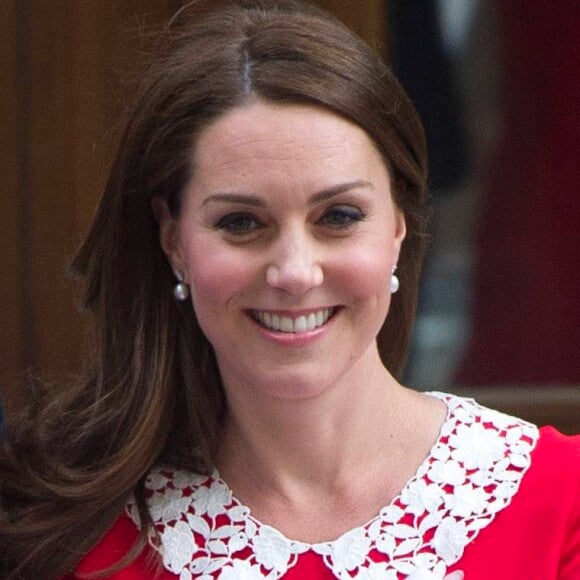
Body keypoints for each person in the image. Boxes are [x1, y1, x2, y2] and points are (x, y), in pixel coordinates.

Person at [0, 1, 578, 579]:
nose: (295, 272)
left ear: (399, 226)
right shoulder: (66, 536)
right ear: (173, 241)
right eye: (242, 223)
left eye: (340, 215)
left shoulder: (561, 503)